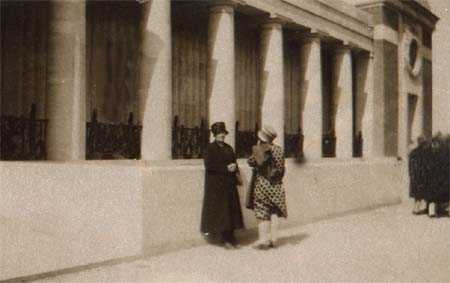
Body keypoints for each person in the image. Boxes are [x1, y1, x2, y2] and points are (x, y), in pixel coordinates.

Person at [200, 122, 244, 249]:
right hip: (217, 186)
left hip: (229, 184)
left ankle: (231, 236)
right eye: (219, 133)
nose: (222, 135)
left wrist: (235, 167)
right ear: (214, 135)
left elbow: (234, 162)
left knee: (231, 211)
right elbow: (209, 166)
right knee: (222, 213)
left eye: (223, 133)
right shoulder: (210, 149)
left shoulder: (229, 148)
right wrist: (226, 168)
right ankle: (225, 239)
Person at [248, 125, 287, 249]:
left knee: (262, 212)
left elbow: (251, 162)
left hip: (262, 184)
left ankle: (263, 240)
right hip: (276, 185)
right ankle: (274, 240)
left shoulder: (259, 149)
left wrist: (257, 148)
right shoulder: (279, 150)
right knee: (275, 212)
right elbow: (281, 169)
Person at [408, 136, 427, 214]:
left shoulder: (413, 152)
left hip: (414, 175)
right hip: (421, 175)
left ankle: (415, 208)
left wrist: (410, 173)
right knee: (420, 193)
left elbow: (410, 164)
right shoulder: (424, 152)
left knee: (416, 193)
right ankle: (416, 209)